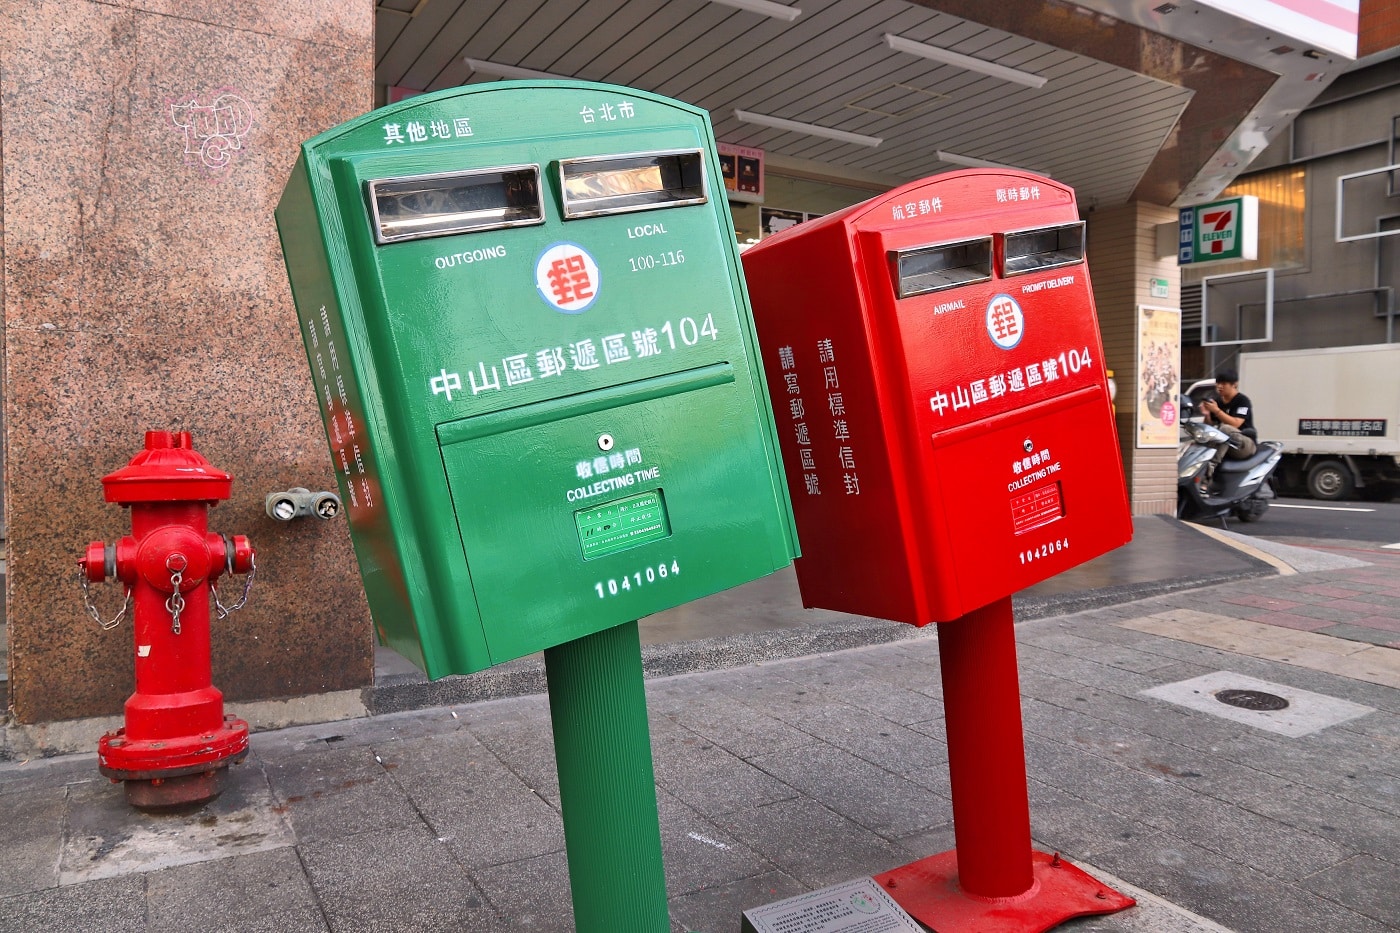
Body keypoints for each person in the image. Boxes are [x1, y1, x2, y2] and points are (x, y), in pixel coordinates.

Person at [1199, 368, 1256, 462]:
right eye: (1218, 383)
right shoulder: (1218, 401)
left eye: (1224, 384)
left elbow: (1236, 424)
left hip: (1244, 444)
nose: (1219, 387)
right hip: (1227, 444)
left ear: (1235, 384)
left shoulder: (1243, 401)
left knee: (1225, 428)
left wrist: (1217, 410)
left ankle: (1212, 464)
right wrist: (1207, 414)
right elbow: (1210, 425)